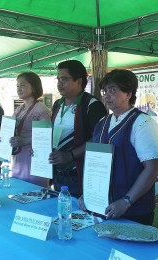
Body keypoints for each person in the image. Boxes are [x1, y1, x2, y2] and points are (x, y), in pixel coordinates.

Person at [78, 69, 158, 225]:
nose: (106, 95)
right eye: (105, 91)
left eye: (112, 90)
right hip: (103, 206)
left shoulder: (142, 122)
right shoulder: (102, 122)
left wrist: (126, 201)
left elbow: (153, 168)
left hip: (134, 210)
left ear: (128, 94)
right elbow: (94, 164)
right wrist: (88, 194)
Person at [49, 60, 107, 197]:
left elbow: (99, 139)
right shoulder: (58, 104)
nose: (59, 83)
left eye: (64, 79)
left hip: (81, 175)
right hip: (59, 174)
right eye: (58, 79)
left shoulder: (92, 105)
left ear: (79, 81)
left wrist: (70, 155)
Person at [9, 72, 51, 186]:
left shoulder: (41, 109)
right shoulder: (19, 109)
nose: (19, 89)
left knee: (32, 192)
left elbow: (47, 136)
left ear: (33, 87)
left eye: (22, 85)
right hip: (18, 159)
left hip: (34, 158)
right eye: (17, 86)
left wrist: (24, 140)